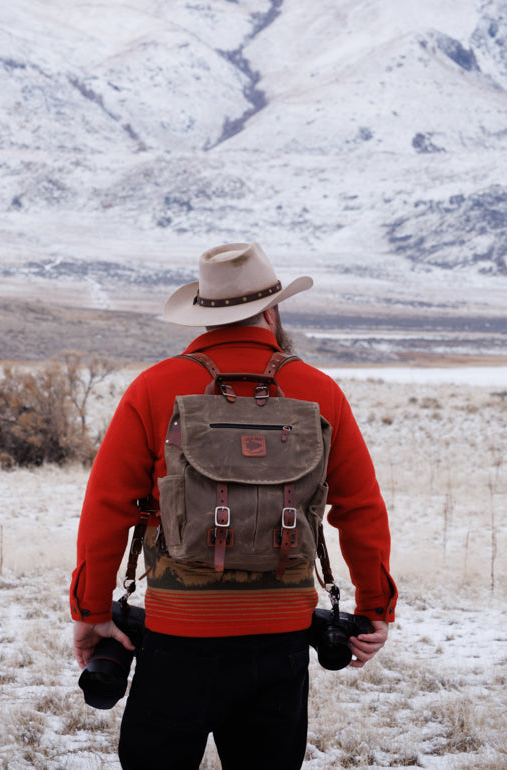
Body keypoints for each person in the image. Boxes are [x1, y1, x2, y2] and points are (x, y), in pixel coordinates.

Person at [70, 241, 397, 770]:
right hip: (281, 639)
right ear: (272, 311)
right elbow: (360, 508)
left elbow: (107, 506)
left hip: (177, 636)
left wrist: (90, 612)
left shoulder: (154, 389)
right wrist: (375, 607)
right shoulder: (320, 391)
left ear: (203, 313)